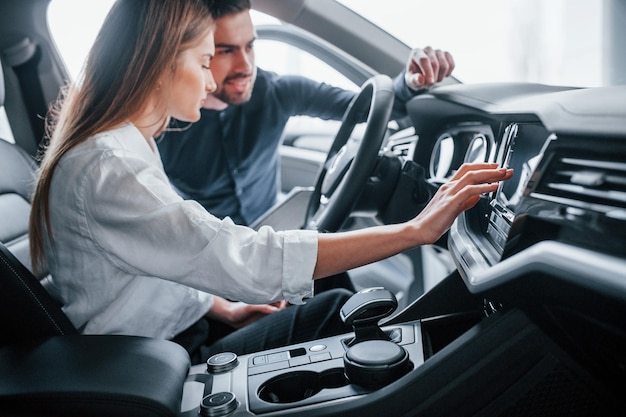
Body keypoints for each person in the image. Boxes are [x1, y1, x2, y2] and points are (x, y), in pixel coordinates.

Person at [28, 0, 512, 365]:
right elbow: (236, 258)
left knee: (335, 298)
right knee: (340, 311)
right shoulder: (110, 165)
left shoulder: (124, 147)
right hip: (153, 359)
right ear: (159, 65)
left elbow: (157, 264)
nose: (214, 81)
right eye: (205, 62)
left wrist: (223, 309)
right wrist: (416, 230)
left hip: (176, 328)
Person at [158, 0, 456, 226]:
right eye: (226, 51)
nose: (246, 66)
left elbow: (370, 108)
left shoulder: (278, 91)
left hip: (278, 230)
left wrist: (411, 80)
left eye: (249, 46)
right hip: (211, 258)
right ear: (198, 51)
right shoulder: (159, 123)